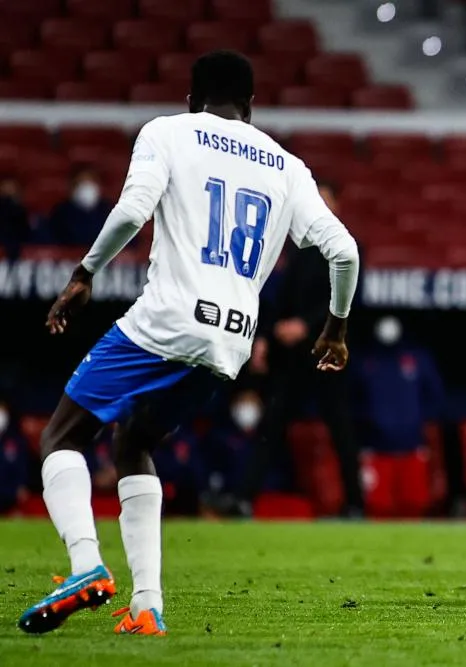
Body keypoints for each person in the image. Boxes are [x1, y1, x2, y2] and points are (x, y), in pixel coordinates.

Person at [18, 50, 360, 636]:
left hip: (167, 317)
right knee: (134, 443)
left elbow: (131, 211)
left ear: (190, 99)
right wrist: (336, 327)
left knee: (60, 435)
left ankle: (85, 565)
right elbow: (345, 251)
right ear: (250, 107)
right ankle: (147, 605)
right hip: (230, 341)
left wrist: (84, 274)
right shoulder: (287, 166)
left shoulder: (168, 132)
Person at [231, 181, 364, 518]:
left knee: (341, 429)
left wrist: (305, 324)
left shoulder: (347, 247)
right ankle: (244, 498)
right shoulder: (293, 249)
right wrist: (263, 337)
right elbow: (275, 299)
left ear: (337, 207)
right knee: (270, 426)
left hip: (328, 352)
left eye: (325, 198)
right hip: (290, 356)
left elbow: (350, 300)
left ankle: (355, 505)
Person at [353, 315, 444, 519]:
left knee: (414, 504)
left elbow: (435, 397)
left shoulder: (418, 358)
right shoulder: (364, 362)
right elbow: (353, 401)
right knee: (378, 507)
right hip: (376, 449)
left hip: (412, 447)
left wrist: (416, 425)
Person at [47, 164, 113, 246]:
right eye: (81, 182)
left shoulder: (109, 212)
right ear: (72, 187)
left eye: (90, 182)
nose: (86, 188)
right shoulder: (60, 213)